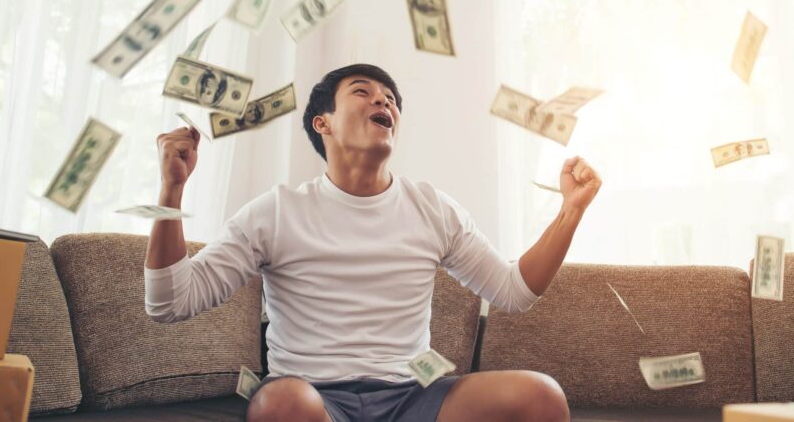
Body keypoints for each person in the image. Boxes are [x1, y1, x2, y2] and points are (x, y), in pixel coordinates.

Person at [146, 63, 602, 422]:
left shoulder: (431, 208)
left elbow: (514, 291)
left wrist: (571, 210)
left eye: (389, 99)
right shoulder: (276, 211)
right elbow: (170, 302)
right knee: (280, 405)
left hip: (414, 398)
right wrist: (172, 190)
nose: (382, 100)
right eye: (362, 91)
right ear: (322, 123)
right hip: (313, 398)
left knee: (541, 397)